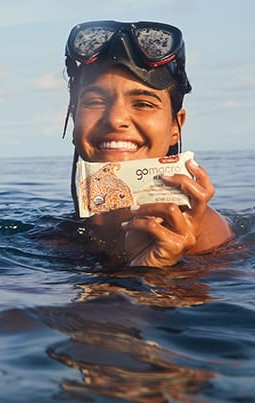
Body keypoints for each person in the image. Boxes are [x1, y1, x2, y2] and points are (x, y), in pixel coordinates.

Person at [63, 20, 232, 267]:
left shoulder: (204, 236)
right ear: (74, 118)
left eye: (143, 104)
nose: (115, 119)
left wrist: (157, 275)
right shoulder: (62, 233)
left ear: (176, 127)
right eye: (95, 101)